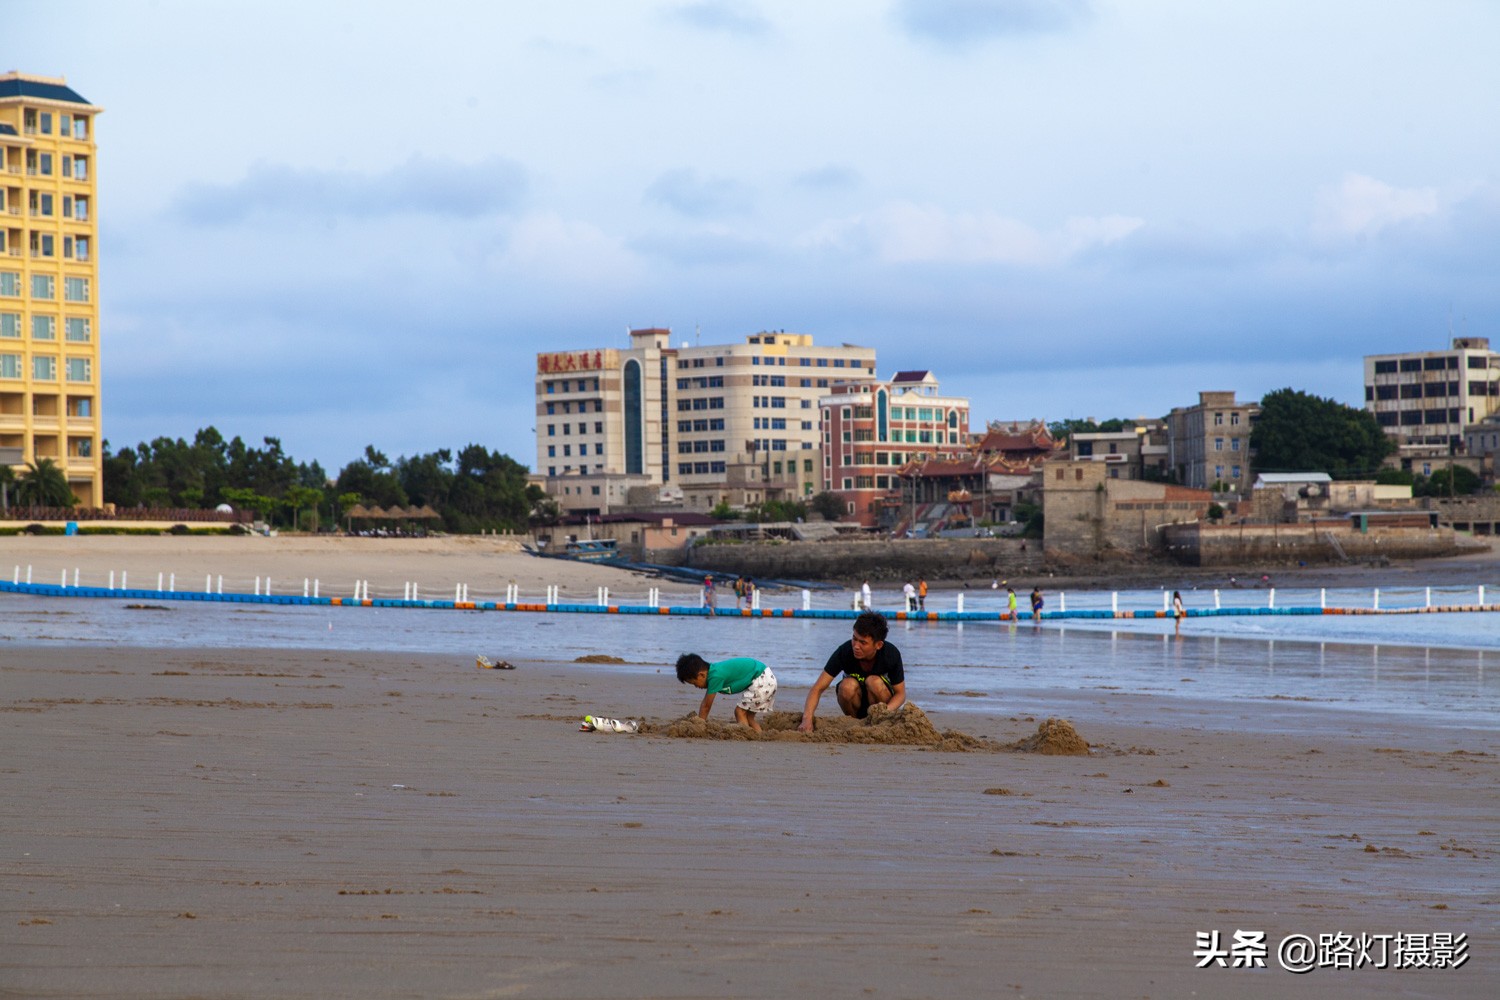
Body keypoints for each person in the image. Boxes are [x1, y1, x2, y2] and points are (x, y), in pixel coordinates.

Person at [798, 611, 905, 732]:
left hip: (881, 708)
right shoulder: (845, 651)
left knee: (873, 681)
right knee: (847, 685)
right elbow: (817, 688)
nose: (856, 646)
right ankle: (856, 724)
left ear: (878, 645)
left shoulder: (891, 654)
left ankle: (878, 722)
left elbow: (900, 694)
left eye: (863, 642)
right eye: (855, 639)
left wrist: (885, 711)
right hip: (855, 705)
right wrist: (806, 719)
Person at [676, 653, 777, 733]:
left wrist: (699, 725)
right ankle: (759, 735)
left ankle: (745, 735)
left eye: (694, 683)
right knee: (749, 717)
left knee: (739, 712)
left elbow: (706, 705)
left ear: (701, 675)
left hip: (762, 679)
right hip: (766, 678)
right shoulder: (714, 671)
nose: (696, 687)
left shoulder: (715, 676)